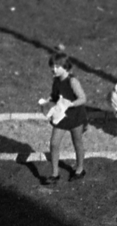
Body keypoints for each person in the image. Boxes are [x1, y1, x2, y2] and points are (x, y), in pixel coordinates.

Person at [39, 52, 88, 183]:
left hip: (75, 116)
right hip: (61, 117)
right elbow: (54, 96)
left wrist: (70, 103)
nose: (53, 69)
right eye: (52, 66)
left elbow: (82, 98)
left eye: (56, 66)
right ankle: (55, 174)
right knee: (54, 143)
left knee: (77, 142)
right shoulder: (56, 81)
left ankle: (79, 169)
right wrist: (47, 103)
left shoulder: (73, 81)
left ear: (65, 67)